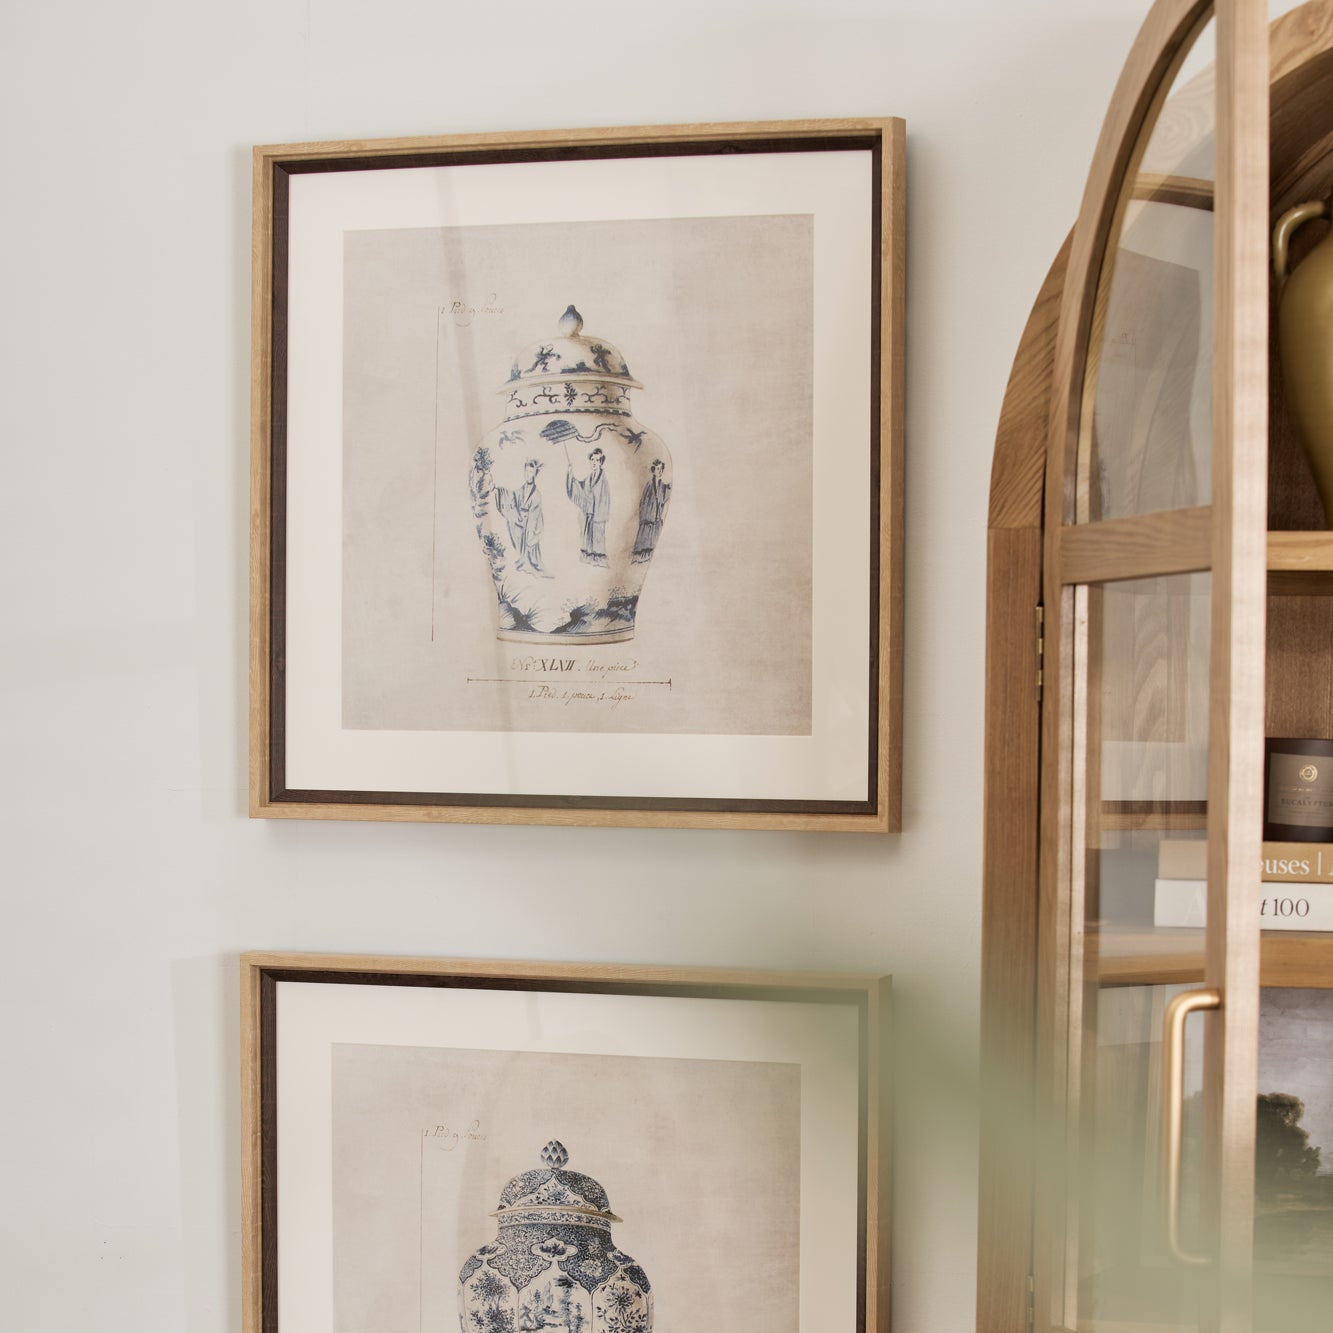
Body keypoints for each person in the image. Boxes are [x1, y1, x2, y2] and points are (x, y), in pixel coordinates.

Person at [495, 458, 548, 574]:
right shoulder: (522, 489)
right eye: (526, 471)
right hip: (522, 521)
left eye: (530, 472)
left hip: (532, 522)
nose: (527, 474)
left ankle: (532, 561)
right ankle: (523, 559)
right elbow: (512, 496)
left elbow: (534, 515)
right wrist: (500, 491)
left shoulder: (537, 494)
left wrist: (527, 524)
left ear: (534, 474)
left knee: (530, 539)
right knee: (514, 524)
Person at [565, 447, 611, 566]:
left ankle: (599, 562)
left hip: (598, 517)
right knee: (588, 543)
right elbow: (579, 489)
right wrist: (570, 473)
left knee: (597, 541)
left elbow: (605, 501)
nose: (594, 463)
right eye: (592, 460)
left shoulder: (603, 481)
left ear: (601, 462)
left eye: (597, 460)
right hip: (588, 517)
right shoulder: (588, 479)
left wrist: (598, 516)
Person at [631, 458, 670, 563]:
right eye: (658, 469)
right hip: (648, 518)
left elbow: (664, 498)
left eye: (661, 469)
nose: (660, 471)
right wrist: (645, 516)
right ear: (654, 470)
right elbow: (643, 501)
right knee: (645, 540)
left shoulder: (663, 485)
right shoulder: (649, 485)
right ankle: (641, 558)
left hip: (656, 518)